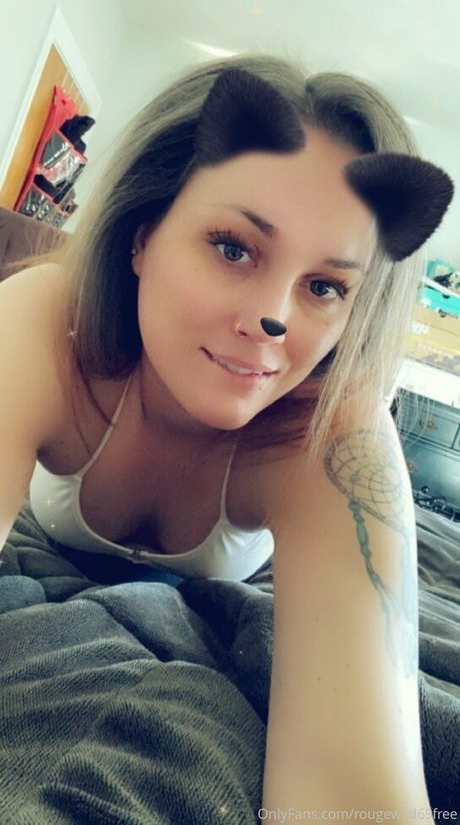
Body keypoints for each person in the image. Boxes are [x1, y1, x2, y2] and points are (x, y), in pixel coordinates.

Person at [0, 54, 453, 817]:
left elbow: (355, 796)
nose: (273, 318)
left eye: (325, 286)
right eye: (234, 247)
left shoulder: (330, 428)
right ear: (143, 235)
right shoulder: (50, 321)